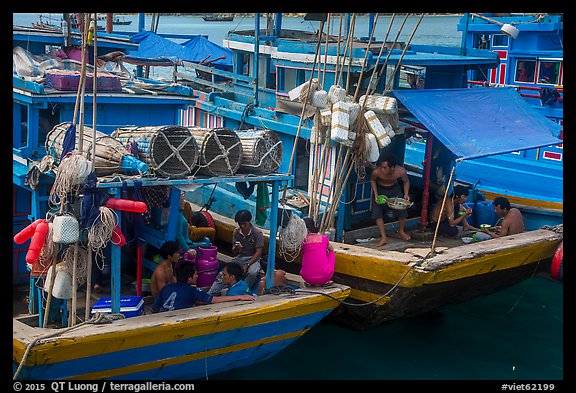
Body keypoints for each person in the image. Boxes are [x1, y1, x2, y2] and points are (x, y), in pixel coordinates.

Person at [152, 262, 255, 313]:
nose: (197, 275)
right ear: (189, 278)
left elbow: (154, 309)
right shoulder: (193, 291)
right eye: (195, 274)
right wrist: (239, 297)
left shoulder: (167, 287)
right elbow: (214, 300)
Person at [208, 210, 264, 295]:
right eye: (240, 224)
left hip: (253, 258)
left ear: (249, 222)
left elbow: (258, 252)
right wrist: (236, 249)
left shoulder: (257, 233)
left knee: (252, 273)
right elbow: (234, 252)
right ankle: (212, 293)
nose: (242, 226)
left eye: (244, 224)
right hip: (240, 257)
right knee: (223, 273)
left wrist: (248, 264)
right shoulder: (236, 232)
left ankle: (243, 291)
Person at [370, 153, 411, 245]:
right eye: (381, 167)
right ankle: (384, 237)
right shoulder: (376, 172)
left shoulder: (401, 171)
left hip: (394, 189)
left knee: (402, 211)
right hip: (381, 190)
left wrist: (406, 194)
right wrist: (376, 194)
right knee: (377, 213)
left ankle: (401, 231)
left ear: (392, 167)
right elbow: (372, 180)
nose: (382, 169)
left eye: (385, 167)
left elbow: (406, 181)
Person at [300, 217, 335, 286]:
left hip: (307, 278)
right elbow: (331, 248)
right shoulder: (323, 238)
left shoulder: (303, 241)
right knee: (331, 252)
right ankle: (325, 279)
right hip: (325, 276)